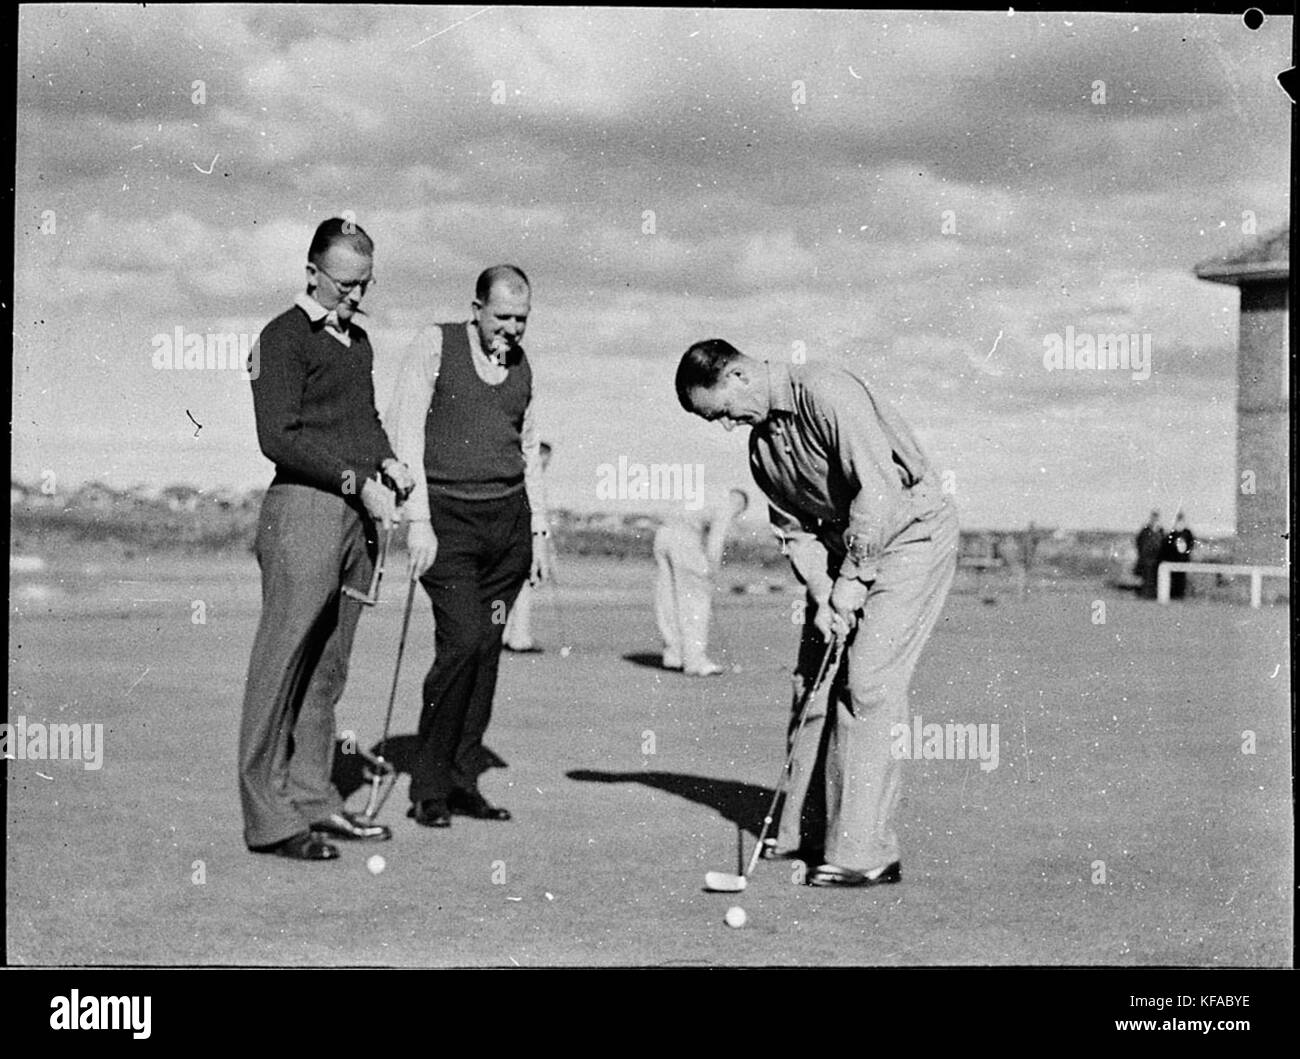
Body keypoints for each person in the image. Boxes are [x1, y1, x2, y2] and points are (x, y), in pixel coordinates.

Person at [675, 340, 958, 888]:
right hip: (842, 555)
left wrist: (851, 582)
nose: (729, 426)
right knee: (815, 680)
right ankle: (802, 831)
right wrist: (826, 592)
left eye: (724, 412)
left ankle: (864, 853)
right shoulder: (762, 450)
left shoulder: (825, 391)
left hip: (910, 535)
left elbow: (878, 493)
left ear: (737, 374)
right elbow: (795, 531)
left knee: (868, 681)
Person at [239, 218, 416, 861]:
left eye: (364, 285)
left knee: (327, 669)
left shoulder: (357, 342)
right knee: (281, 665)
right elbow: (278, 437)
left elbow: (363, 420)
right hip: (303, 512)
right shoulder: (279, 338)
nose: (354, 297)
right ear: (312, 271)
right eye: (344, 284)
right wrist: (355, 480)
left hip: (357, 517)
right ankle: (269, 819)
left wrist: (389, 462)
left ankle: (315, 799)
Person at [385, 265, 551, 829]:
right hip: (449, 526)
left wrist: (540, 530)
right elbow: (405, 427)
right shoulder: (437, 343)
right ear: (476, 307)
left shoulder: (524, 366)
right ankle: (428, 787)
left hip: (507, 531)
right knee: (459, 642)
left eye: (521, 319)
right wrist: (419, 521)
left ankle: (462, 782)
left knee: (486, 649)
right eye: (501, 317)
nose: (511, 329)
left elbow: (529, 449)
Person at [652, 488, 749, 675]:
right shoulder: (726, 503)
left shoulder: (706, 495)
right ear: (739, 504)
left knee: (668, 599)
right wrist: (712, 571)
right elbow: (716, 540)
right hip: (685, 540)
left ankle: (674, 655)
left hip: (663, 535)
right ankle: (695, 661)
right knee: (696, 601)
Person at [503, 441, 553, 653]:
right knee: (520, 592)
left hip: (506, 541)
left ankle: (499, 633)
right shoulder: (531, 482)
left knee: (501, 593)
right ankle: (518, 638)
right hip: (520, 543)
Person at [1159, 510, 1196, 599]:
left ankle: (1180, 595)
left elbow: (1191, 545)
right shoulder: (1172, 533)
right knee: (1173, 579)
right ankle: (1173, 595)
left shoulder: (1187, 533)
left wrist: (1186, 554)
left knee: (1181, 579)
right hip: (1173, 560)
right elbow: (1166, 546)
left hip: (1183, 560)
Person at [1134, 510, 1164, 598]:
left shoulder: (1160, 531)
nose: (1155, 519)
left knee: (1155, 577)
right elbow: (1139, 541)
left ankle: (1153, 594)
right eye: (1153, 517)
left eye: (1156, 518)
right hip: (1146, 558)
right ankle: (1145, 594)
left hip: (1157, 558)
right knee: (1146, 577)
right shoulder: (1145, 530)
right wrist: (1142, 552)